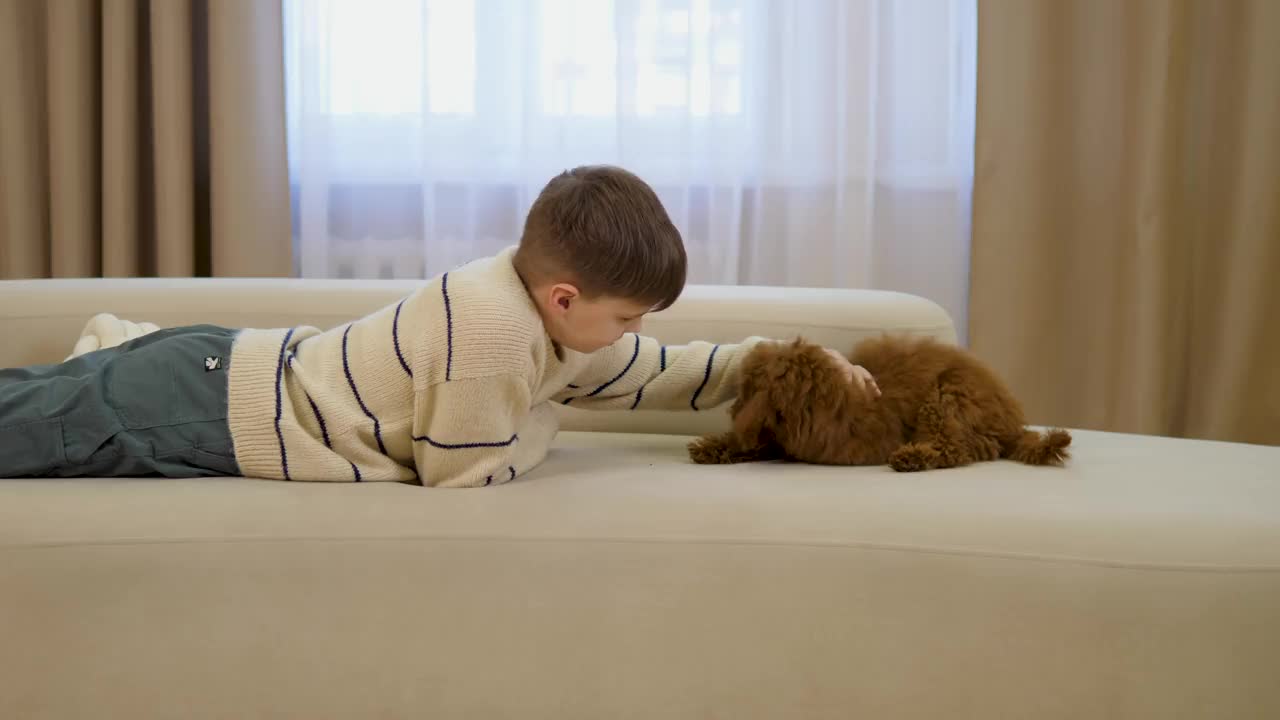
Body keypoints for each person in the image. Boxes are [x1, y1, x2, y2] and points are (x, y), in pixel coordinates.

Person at [0, 165, 878, 485]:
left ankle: (112, 350)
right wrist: (545, 417)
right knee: (22, 429)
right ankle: (110, 363)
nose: (630, 335)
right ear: (565, 299)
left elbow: (655, 370)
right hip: (210, 408)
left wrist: (779, 361)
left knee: (43, 400)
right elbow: (461, 474)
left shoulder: (540, 309)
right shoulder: (494, 335)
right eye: (626, 316)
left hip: (226, 361)